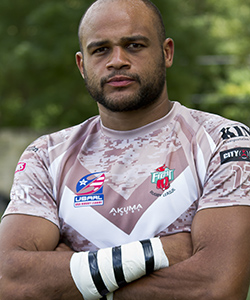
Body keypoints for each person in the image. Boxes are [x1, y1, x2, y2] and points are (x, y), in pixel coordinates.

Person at [0, 0, 250, 299]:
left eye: (134, 45)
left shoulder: (223, 141)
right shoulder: (46, 155)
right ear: (82, 64)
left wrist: (66, 280)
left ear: (166, 52)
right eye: (100, 49)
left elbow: (217, 288)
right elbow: (10, 280)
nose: (117, 60)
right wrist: (162, 251)